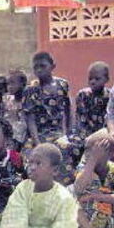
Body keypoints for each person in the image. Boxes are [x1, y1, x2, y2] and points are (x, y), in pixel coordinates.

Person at [23, 51, 77, 185]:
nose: (39, 70)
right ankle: (38, 187)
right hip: (39, 134)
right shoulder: (31, 90)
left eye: (43, 66)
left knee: (69, 148)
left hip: (58, 133)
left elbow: (67, 109)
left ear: (53, 66)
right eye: (36, 67)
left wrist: (68, 133)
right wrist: (36, 141)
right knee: (31, 154)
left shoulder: (62, 85)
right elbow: (30, 118)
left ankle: (64, 188)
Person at [3, 70, 28, 152]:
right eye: (8, 84)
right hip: (9, 134)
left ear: (23, 84)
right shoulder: (7, 100)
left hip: (23, 135)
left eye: (13, 83)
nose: (9, 86)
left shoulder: (27, 101)